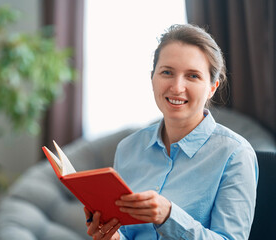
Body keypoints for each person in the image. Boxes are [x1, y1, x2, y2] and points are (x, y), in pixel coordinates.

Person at [84, 24, 258, 239]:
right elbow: (128, 233)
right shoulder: (128, 148)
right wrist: (113, 237)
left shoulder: (235, 154)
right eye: (167, 72)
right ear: (152, 78)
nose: (177, 87)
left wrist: (169, 216)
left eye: (193, 76)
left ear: (212, 88)